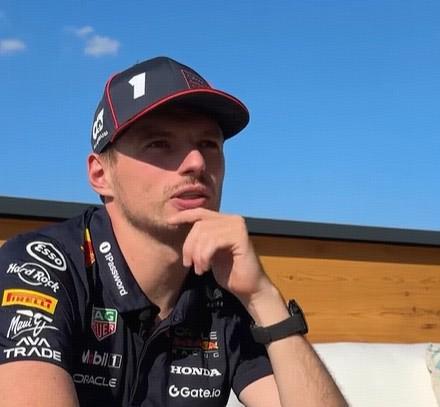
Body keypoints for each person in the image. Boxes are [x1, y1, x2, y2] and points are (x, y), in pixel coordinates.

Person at [0, 56, 347, 406]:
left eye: (209, 144)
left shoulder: (224, 286)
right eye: (159, 144)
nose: (197, 163)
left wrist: (262, 296)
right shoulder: (42, 266)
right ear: (101, 175)